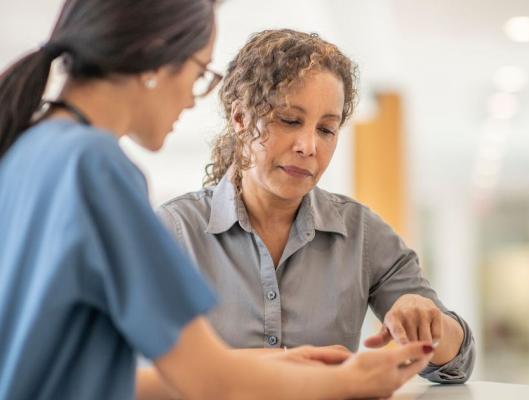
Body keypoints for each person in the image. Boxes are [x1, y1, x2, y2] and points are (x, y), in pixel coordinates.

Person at [0, 2, 434, 400]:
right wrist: (354, 378)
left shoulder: (29, 150)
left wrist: (264, 363)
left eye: (326, 128)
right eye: (200, 73)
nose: (192, 98)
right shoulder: (96, 168)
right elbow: (210, 381)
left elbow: (83, 380)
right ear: (155, 55)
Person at [157, 29, 475, 384]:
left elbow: (457, 364)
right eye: (290, 120)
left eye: (326, 129)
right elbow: (139, 369)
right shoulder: (173, 232)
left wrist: (429, 324)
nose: (309, 146)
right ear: (240, 119)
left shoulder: (362, 233)